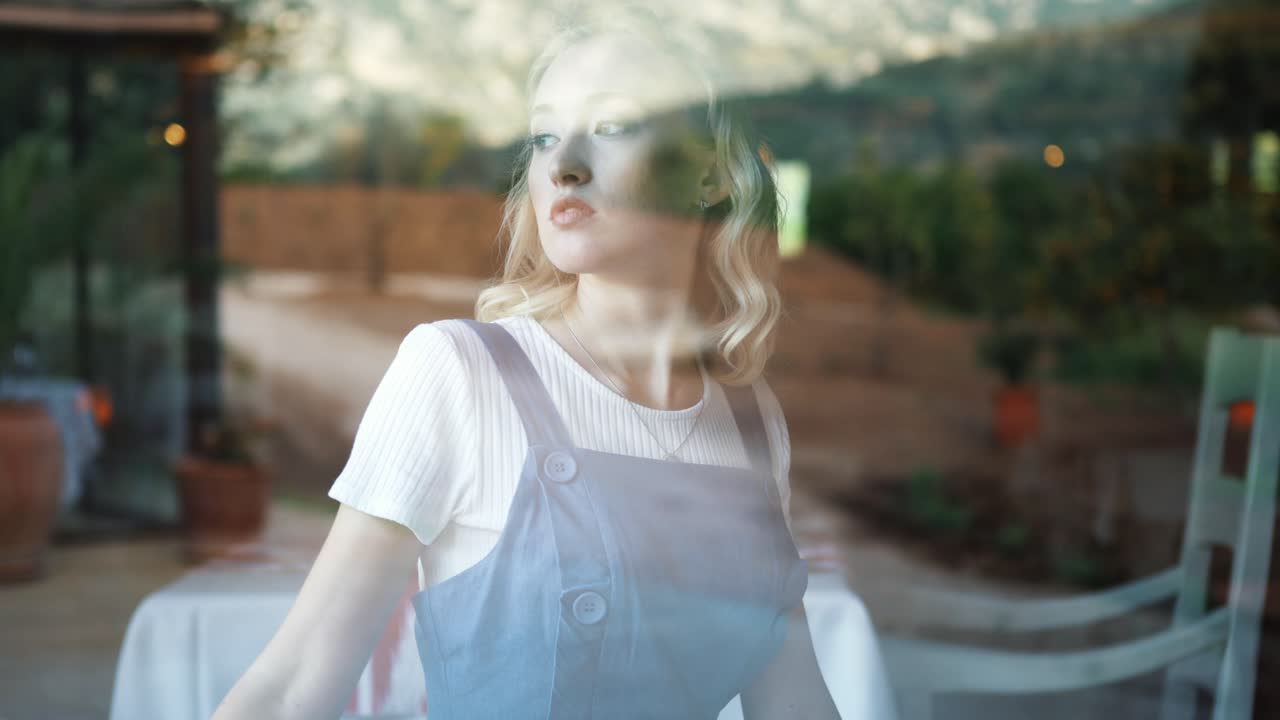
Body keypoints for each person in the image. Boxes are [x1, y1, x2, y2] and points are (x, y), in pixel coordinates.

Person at [212, 7, 841, 720]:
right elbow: (293, 687)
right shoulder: (460, 372)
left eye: (611, 126)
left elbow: (795, 704)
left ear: (707, 176)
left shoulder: (754, 423)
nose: (564, 164)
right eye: (544, 135)